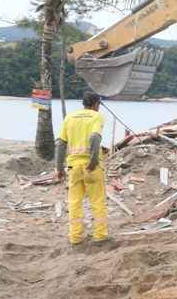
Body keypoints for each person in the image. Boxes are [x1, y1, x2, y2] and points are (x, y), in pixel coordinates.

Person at [56, 92, 108, 245]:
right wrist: (93, 161)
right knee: (97, 201)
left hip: (73, 167)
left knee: (74, 203)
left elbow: (60, 144)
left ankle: (76, 237)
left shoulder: (69, 118)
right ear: (96, 104)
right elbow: (95, 137)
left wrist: (59, 168)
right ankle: (100, 235)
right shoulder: (96, 116)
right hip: (91, 168)